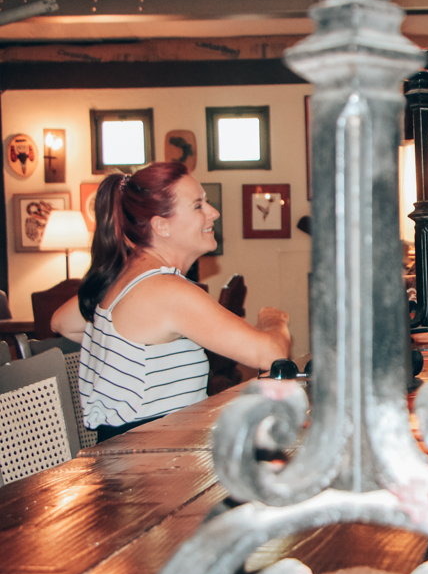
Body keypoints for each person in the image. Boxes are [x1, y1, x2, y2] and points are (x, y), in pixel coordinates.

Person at [52, 162, 291, 441]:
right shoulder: (165, 289)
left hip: (135, 449)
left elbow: (62, 323)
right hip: (147, 461)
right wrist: (273, 319)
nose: (213, 212)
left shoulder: (126, 278)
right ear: (161, 225)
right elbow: (270, 353)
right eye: (198, 205)